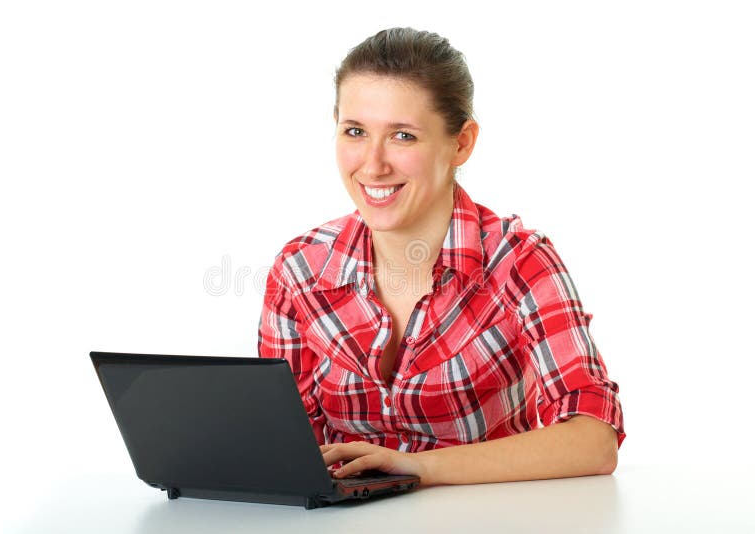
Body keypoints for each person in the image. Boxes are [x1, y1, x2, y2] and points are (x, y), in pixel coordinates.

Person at [258, 27, 624, 486]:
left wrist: (419, 469)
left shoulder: (520, 262)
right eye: (355, 131)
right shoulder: (299, 271)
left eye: (403, 136)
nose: (373, 165)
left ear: (461, 143)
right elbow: (286, 446)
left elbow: (593, 440)